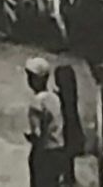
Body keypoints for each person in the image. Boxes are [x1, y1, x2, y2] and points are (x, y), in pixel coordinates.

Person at [24, 55, 66, 187]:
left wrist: (30, 137)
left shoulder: (37, 103)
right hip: (58, 149)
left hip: (44, 152)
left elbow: (37, 133)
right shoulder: (54, 98)